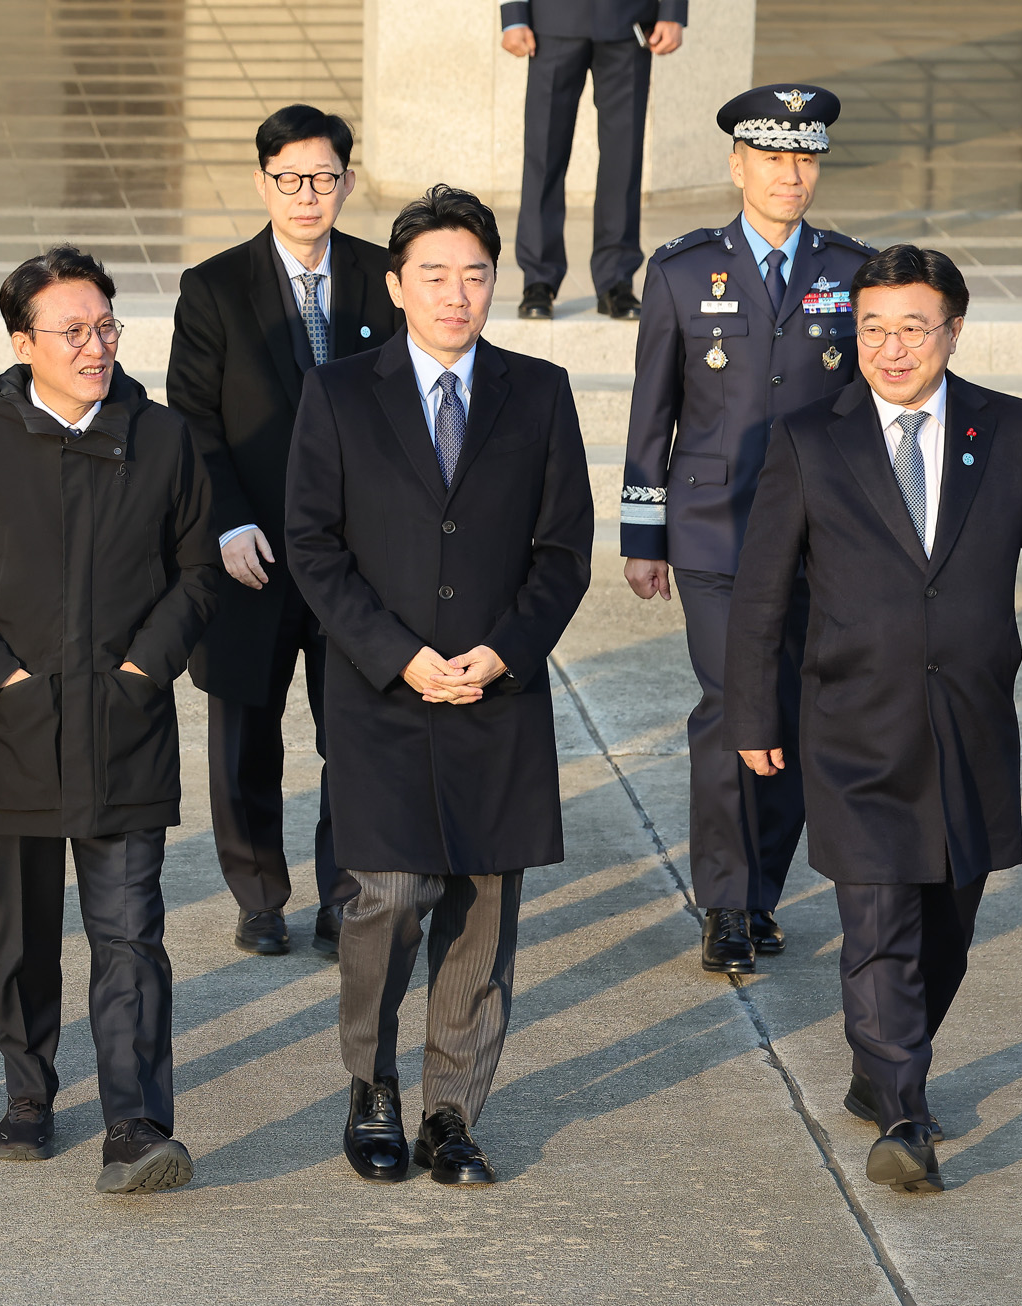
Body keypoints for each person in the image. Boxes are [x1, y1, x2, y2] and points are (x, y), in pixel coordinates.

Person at [727, 244, 1022, 1195]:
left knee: (947, 926)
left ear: (953, 331)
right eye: (872, 329)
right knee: (878, 923)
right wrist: (752, 712)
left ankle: (880, 1066)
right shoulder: (807, 437)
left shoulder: (1009, 428)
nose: (890, 349)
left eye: (911, 328)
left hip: (970, 725)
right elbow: (762, 592)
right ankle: (904, 1111)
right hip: (853, 727)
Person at [286, 187, 593, 1186]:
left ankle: (452, 1111)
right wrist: (394, 652)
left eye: (474, 274)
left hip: (496, 695)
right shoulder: (339, 392)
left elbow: (563, 550)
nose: (455, 294)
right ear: (395, 285)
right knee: (383, 899)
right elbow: (312, 545)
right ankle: (371, 1086)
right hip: (381, 692)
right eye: (433, 275)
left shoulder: (537, 392)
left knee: (482, 908)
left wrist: (505, 650)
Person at [0, 246, 218, 1195]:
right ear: (23, 342)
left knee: (130, 933)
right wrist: (1, 681)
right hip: (10, 727)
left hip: (124, 724)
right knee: (20, 934)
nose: (96, 347)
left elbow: (199, 571)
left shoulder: (163, 438)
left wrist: (141, 669)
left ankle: (136, 1123)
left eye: (107, 327)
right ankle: (28, 1094)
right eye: (73, 331)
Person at [619, 84, 874, 974]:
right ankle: (726, 902)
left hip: (821, 537)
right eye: (772, 158)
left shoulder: (853, 270)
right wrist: (642, 535)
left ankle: (760, 890)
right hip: (714, 531)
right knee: (733, 706)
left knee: (799, 714)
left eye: (804, 160)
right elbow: (652, 409)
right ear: (738, 166)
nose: (789, 176)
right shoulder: (683, 270)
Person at [167, 104, 403, 959]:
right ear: (263, 181)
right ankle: (259, 897)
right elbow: (191, 419)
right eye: (290, 178)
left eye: (324, 177)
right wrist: (227, 521)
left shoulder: (384, 276)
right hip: (252, 553)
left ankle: (346, 895)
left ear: (348, 180)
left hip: (354, 556)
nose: (308, 194)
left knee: (355, 734)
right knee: (245, 735)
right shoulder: (214, 287)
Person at [500, 0, 687, 320]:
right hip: (552, 20)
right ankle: (539, 278)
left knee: (624, 157)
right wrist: (514, 14)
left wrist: (673, 10)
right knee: (544, 154)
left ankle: (616, 278)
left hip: (628, 19)